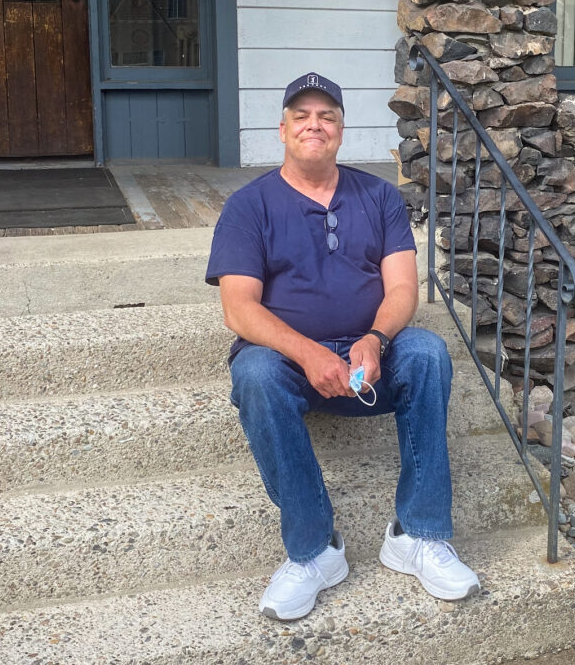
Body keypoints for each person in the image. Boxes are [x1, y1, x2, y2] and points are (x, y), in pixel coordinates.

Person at [205, 72, 480, 621]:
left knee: (426, 352)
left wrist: (375, 340)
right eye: (302, 116)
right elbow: (239, 308)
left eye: (326, 116)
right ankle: (314, 551)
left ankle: (417, 536)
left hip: (368, 357)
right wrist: (309, 352)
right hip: (290, 363)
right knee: (255, 374)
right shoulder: (248, 205)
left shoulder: (378, 197)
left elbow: (404, 288)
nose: (315, 125)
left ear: (341, 130)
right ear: (281, 129)